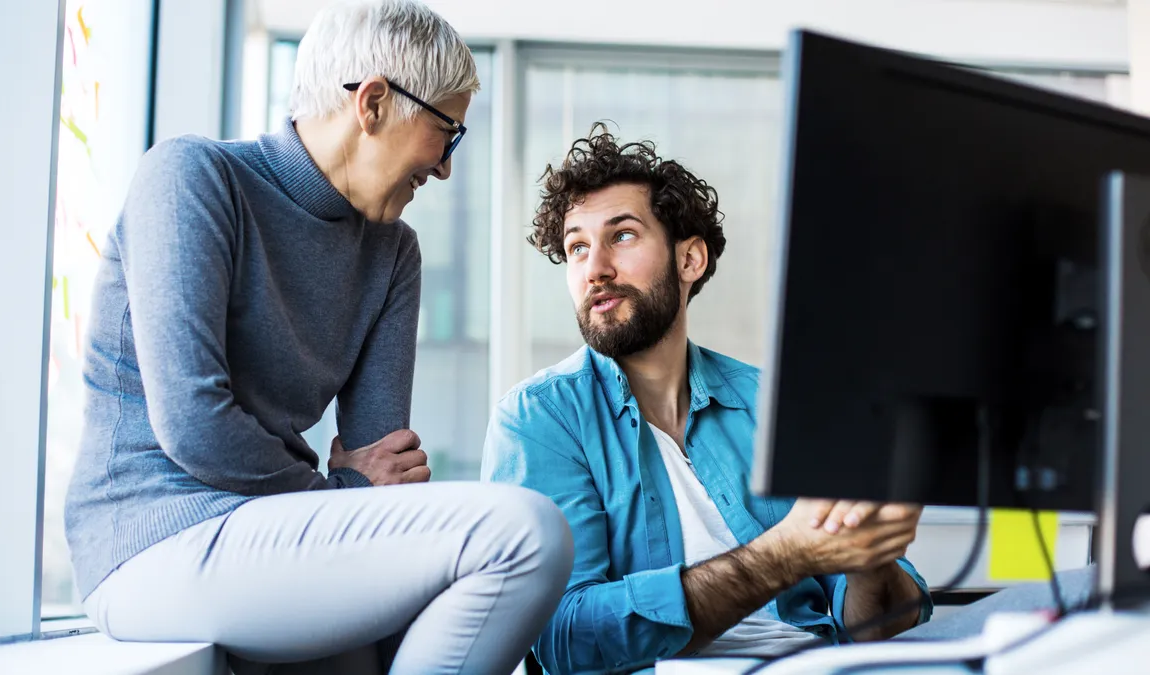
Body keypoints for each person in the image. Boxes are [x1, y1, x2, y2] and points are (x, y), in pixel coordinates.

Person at [64, 2, 572, 673]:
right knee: (524, 534)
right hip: (152, 541)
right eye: (447, 133)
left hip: (273, 539)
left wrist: (347, 493)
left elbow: (380, 467)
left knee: (390, 643)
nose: (447, 167)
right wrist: (334, 494)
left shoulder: (393, 254)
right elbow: (193, 423)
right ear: (374, 103)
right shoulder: (194, 177)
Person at [482, 125, 933, 674]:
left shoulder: (772, 404)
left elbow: (873, 630)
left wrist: (869, 555)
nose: (594, 267)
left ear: (690, 260)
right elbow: (565, 641)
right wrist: (784, 555)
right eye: (577, 246)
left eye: (621, 236)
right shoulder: (538, 420)